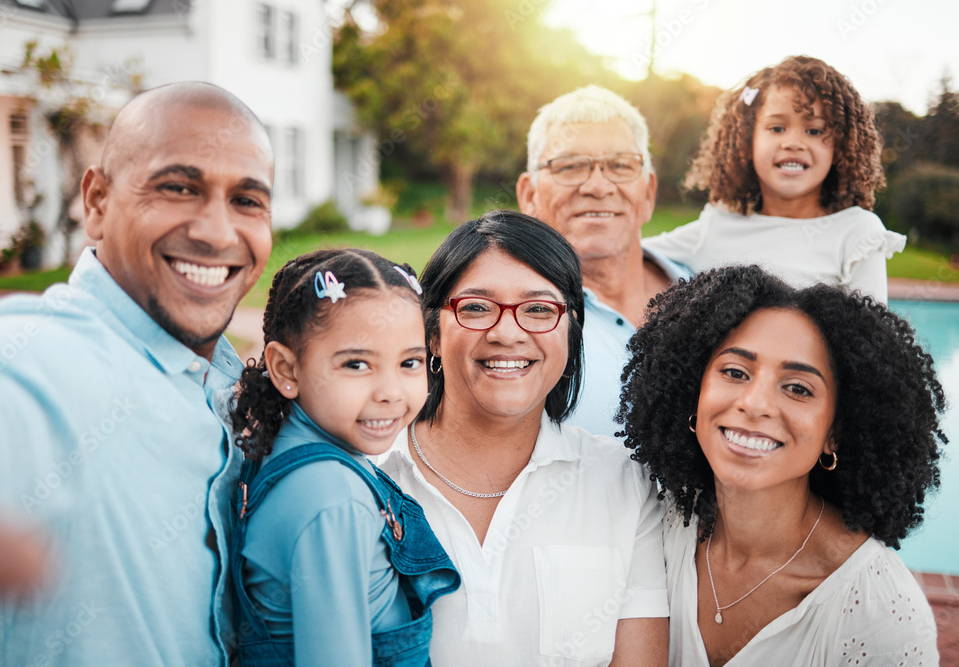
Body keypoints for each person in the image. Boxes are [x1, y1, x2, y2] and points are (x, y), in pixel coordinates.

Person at [0, 82, 274, 665]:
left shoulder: (239, 380)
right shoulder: (12, 367)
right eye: (178, 188)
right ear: (97, 202)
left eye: (247, 201)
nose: (216, 231)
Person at [380, 210, 670, 666]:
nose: (508, 332)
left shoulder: (626, 486)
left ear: (572, 334)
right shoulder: (368, 475)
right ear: (431, 334)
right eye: (475, 307)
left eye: (539, 309)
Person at [619, 265, 945, 666]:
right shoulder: (655, 524)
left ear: (835, 432)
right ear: (693, 393)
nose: (754, 404)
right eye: (735, 372)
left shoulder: (881, 612)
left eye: (797, 388)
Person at [228, 249, 460, 666]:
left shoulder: (289, 450)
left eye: (410, 362)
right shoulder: (334, 498)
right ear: (285, 369)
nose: (390, 391)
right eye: (356, 364)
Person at [645, 55, 904, 303]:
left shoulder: (857, 233)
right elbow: (627, 253)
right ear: (747, 141)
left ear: (840, 147)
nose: (793, 143)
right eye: (776, 128)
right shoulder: (715, 227)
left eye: (814, 130)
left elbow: (873, 342)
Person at [516, 85, 690, 437]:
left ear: (649, 194)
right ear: (529, 195)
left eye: (620, 165)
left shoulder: (712, 292)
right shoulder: (510, 322)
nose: (597, 186)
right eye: (570, 166)